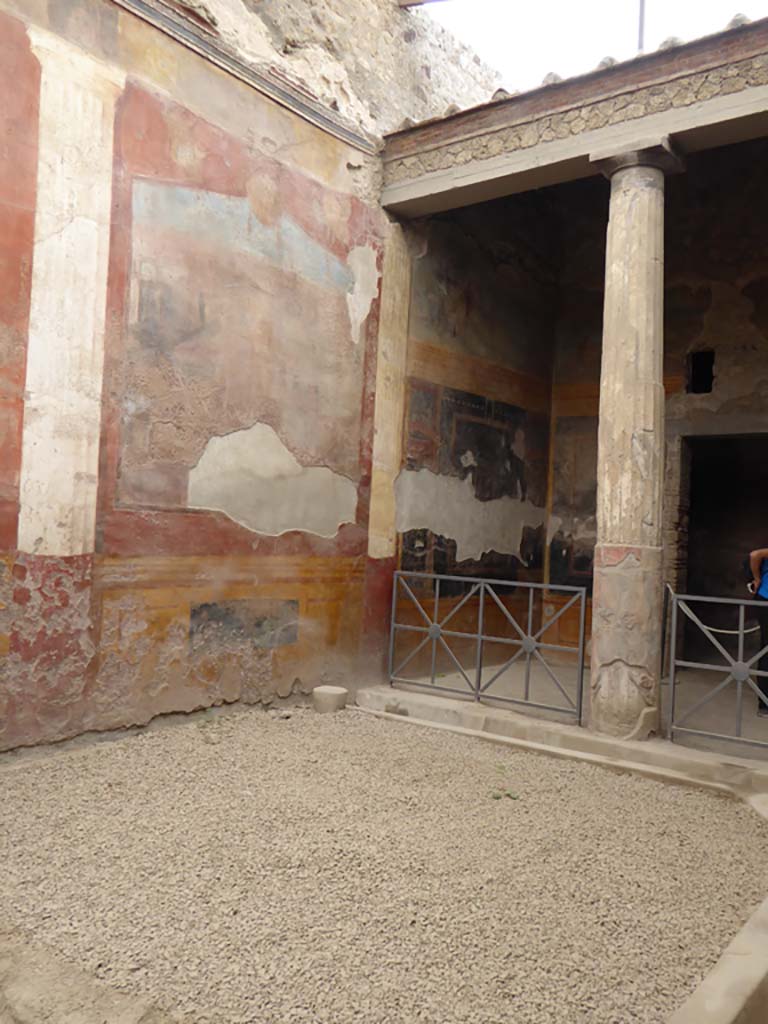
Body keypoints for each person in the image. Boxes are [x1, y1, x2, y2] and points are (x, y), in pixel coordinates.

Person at [748, 548, 768, 717]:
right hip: (766, 599)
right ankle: (764, 703)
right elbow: (755, 555)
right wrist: (757, 578)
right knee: (767, 649)